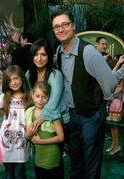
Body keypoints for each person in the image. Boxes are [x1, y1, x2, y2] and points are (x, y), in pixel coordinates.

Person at [51, 10, 117, 179]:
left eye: (64, 24)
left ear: (73, 26)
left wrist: (98, 104)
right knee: (76, 161)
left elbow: (110, 83)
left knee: (91, 162)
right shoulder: (59, 51)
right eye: (56, 26)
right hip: (71, 115)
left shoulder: (88, 52)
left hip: (91, 115)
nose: (61, 29)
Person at [0, 65, 32, 179]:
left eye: (16, 78)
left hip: (22, 138)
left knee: (20, 172)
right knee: (9, 173)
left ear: (22, 78)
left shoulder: (28, 97)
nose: (13, 82)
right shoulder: (5, 96)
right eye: (9, 80)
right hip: (6, 138)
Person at [25, 81, 64, 179]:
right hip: (39, 158)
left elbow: (61, 137)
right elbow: (27, 135)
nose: (40, 100)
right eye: (37, 96)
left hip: (52, 156)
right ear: (32, 95)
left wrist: (41, 141)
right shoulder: (29, 112)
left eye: (44, 97)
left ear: (49, 98)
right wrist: (29, 134)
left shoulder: (53, 113)